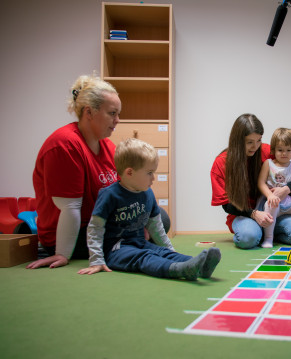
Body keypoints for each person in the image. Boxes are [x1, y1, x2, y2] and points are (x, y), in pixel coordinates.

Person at [78, 138, 221, 280]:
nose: (154, 178)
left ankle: (201, 266)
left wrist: (169, 250)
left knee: (162, 252)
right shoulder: (109, 195)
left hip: (140, 243)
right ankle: (179, 270)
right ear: (129, 173)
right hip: (116, 250)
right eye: (149, 173)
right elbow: (95, 229)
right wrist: (97, 260)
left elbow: (156, 227)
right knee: (145, 257)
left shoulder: (147, 193)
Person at [27, 75, 121, 269]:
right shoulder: (64, 145)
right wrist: (62, 253)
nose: (117, 120)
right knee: (133, 234)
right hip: (71, 234)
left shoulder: (107, 146)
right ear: (89, 112)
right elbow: (70, 208)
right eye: (112, 113)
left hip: (97, 225)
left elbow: (124, 191)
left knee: (158, 217)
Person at [210, 114, 291, 249]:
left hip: (275, 211)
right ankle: (262, 232)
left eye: (259, 140)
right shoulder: (221, 163)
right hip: (244, 215)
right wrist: (254, 214)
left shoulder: (266, 150)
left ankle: (267, 232)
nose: (255, 146)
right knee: (248, 238)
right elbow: (226, 205)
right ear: (237, 140)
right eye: (249, 142)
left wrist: (286, 189)